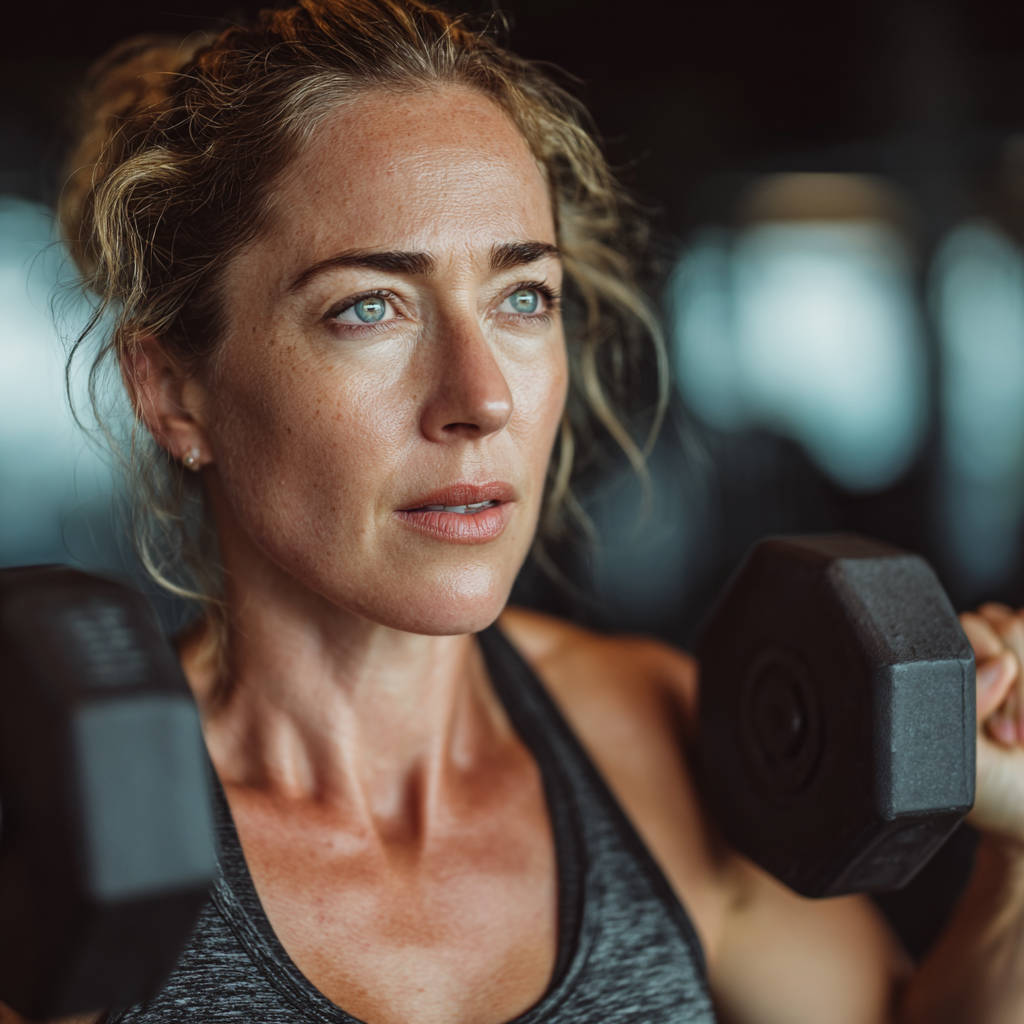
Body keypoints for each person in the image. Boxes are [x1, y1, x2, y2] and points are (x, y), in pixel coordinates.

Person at [7, 1, 1024, 1020]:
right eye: (369, 306)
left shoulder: (654, 733)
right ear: (174, 390)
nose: (481, 396)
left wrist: (1015, 864)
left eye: (522, 297)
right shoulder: (60, 836)